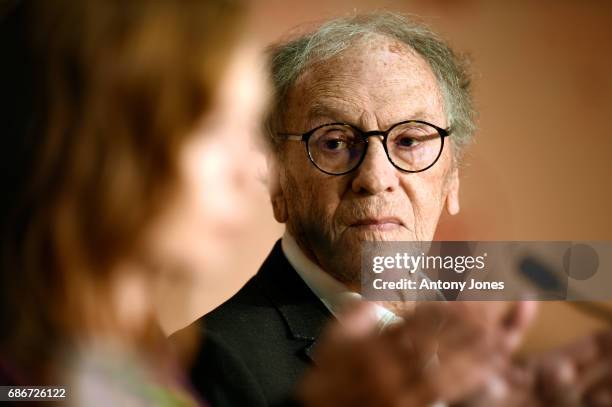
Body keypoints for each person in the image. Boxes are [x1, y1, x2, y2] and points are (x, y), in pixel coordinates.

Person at [175, 12, 612, 407]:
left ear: (452, 178)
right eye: (334, 142)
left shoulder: (497, 363)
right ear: (277, 182)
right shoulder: (208, 362)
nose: (375, 176)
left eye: (409, 141)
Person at [0, 0, 265, 404]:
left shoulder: (133, 350)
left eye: (249, 129)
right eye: (210, 127)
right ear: (93, 136)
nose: (253, 173)